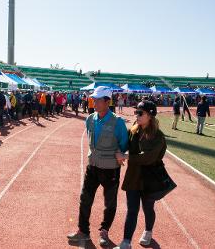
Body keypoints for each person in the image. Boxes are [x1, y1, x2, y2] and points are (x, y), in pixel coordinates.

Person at [68, 86, 128, 247]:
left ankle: (104, 231)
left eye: (97, 100)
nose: (93, 102)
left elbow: (124, 145)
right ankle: (83, 231)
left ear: (107, 102)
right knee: (85, 199)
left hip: (110, 169)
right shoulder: (90, 119)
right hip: (93, 166)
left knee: (110, 203)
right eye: (93, 99)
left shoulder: (118, 122)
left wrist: (119, 153)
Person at [114, 101, 167, 249]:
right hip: (134, 177)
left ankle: (148, 231)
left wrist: (125, 157)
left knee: (148, 207)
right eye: (136, 112)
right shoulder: (133, 131)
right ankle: (126, 242)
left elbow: (148, 157)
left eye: (140, 113)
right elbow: (124, 146)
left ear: (150, 115)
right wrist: (119, 153)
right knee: (132, 210)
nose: (136, 115)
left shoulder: (158, 136)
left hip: (150, 178)